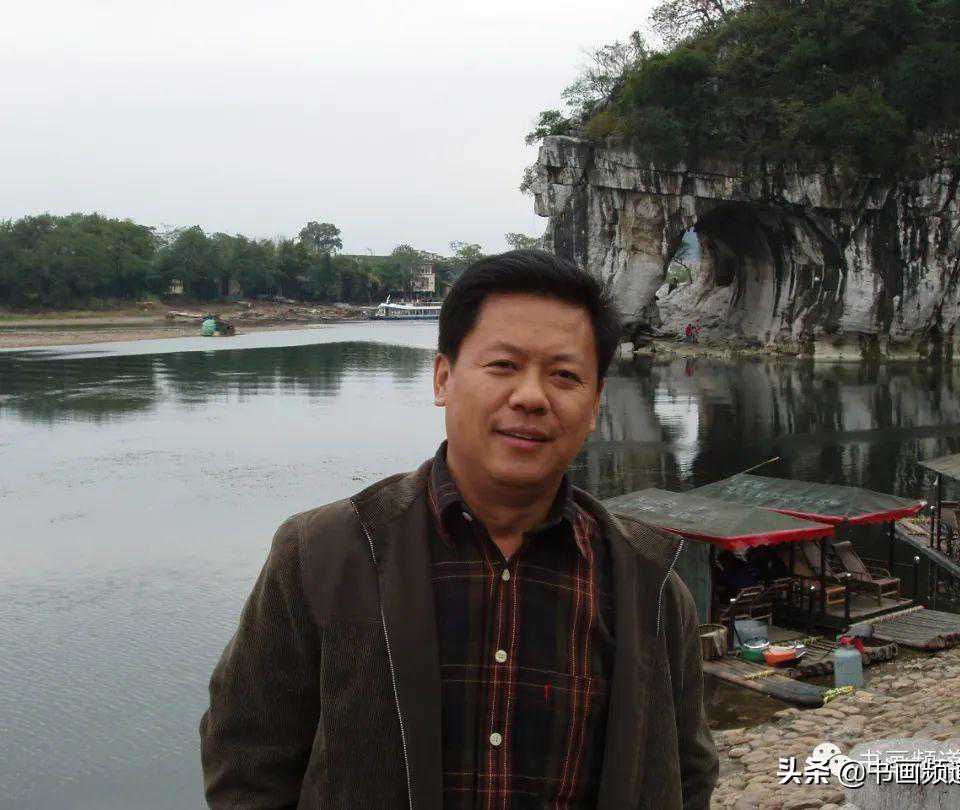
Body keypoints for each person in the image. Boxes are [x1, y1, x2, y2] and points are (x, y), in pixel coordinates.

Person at [199, 250, 719, 809]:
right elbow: (245, 762)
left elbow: (687, 773)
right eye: (503, 365)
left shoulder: (648, 584)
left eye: (565, 376)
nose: (530, 396)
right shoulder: (323, 555)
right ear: (443, 378)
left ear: (594, 405)